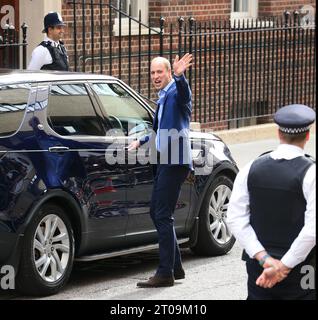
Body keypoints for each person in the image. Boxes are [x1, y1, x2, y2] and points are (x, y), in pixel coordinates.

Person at [227, 104, 316, 300]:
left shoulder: (251, 167)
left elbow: (234, 218)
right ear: (307, 136)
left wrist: (265, 259)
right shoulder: (312, 173)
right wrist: (283, 266)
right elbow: (312, 230)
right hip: (303, 269)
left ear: (278, 133)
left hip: (259, 267)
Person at [128, 54, 193, 287]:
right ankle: (176, 267)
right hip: (165, 160)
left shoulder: (176, 92)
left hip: (175, 160)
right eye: (153, 72)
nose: (156, 76)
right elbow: (159, 128)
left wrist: (180, 76)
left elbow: (186, 97)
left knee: (162, 214)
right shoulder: (163, 96)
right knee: (158, 212)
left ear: (168, 73)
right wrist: (142, 141)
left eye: (160, 72)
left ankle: (165, 273)